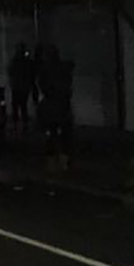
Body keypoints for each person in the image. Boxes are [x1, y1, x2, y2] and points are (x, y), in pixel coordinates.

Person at [36, 42, 75, 170]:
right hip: (61, 107)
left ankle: (54, 162)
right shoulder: (61, 69)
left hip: (52, 108)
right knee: (63, 135)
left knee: (51, 135)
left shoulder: (46, 70)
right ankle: (63, 161)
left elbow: (44, 87)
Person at [7, 42, 38, 134]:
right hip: (22, 87)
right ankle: (21, 125)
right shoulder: (25, 62)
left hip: (19, 87)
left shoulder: (18, 61)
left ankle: (18, 125)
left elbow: (11, 72)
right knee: (20, 106)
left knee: (17, 106)